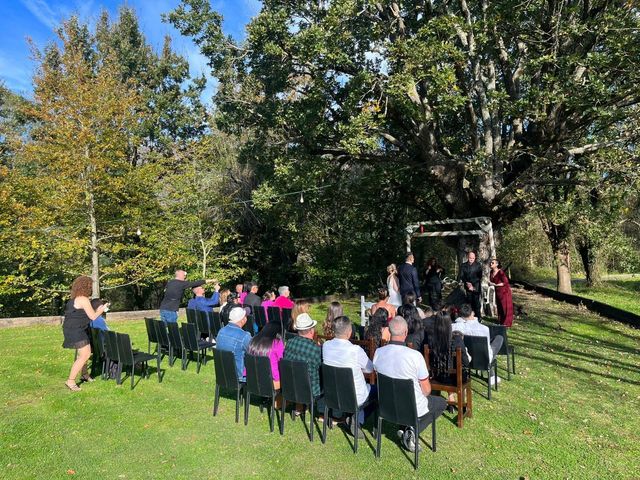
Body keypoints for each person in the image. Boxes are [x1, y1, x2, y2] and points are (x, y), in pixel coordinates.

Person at [373, 316, 447, 453]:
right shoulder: (415, 356)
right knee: (441, 403)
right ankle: (412, 430)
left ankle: (405, 428)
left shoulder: (378, 352)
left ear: (389, 331)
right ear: (406, 332)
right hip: (410, 405)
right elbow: (426, 390)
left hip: (386, 403)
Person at [322, 315, 376, 437]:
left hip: (333, 394)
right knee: (377, 391)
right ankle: (357, 419)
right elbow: (370, 368)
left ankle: (352, 417)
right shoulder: (355, 350)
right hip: (353, 397)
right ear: (349, 332)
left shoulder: (326, 346)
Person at [62, 276, 109, 391]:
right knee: (85, 355)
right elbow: (92, 316)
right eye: (90, 286)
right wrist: (102, 309)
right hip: (76, 330)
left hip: (73, 328)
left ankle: (84, 375)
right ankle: (70, 381)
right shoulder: (83, 299)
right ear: (86, 287)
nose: (91, 288)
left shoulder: (73, 300)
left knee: (82, 353)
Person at [452, 304, 503, 384]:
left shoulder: (453, 327)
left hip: (463, 358)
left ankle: (492, 375)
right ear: (472, 313)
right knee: (499, 338)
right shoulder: (483, 329)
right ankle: (492, 375)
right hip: (482, 360)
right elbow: (487, 348)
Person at [428, 312, 470, 408]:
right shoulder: (457, 340)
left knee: (448, 366)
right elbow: (466, 362)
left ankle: (451, 397)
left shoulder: (431, 340)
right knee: (457, 370)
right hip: (455, 379)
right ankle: (461, 404)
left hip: (437, 377)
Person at [283, 313, 322, 400]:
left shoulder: (289, 343)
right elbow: (321, 369)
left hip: (291, 386)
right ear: (311, 330)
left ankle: (299, 407)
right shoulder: (315, 349)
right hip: (311, 390)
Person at [216, 307, 252, 381]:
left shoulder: (221, 331)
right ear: (242, 320)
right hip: (238, 376)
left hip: (222, 371)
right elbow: (254, 352)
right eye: (245, 316)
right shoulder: (244, 336)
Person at [246, 321, 285, 389]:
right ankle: (277, 399)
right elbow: (282, 360)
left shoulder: (254, 340)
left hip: (252, 378)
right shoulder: (277, 343)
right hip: (271, 381)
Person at [489, 259, 514, 327]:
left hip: (504, 291)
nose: (491, 264)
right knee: (499, 306)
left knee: (505, 307)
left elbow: (505, 282)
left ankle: (507, 323)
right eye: (491, 263)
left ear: (496, 264)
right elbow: (491, 281)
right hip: (497, 291)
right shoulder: (491, 272)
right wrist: (491, 284)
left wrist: (495, 285)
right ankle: (501, 321)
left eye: (492, 263)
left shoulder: (501, 272)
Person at [459, 251, 483, 321]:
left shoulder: (478, 265)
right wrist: (467, 283)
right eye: (470, 258)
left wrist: (473, 286)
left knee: (476, 302)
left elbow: (480, 276)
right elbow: (461, 276)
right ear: (468, 257)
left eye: (473, 258)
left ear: (475, 258)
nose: (471, 259)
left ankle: (478, 318)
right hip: (467, 285)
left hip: (476, 286)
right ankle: (469, 317)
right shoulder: (463, 265)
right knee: (469, 302)